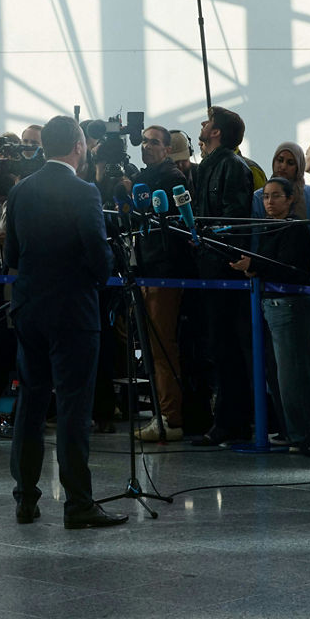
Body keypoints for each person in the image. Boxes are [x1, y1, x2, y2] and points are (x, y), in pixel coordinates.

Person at [6, 114, 127, 530]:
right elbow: (97, 253)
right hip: (74, 313)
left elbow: (11, 255)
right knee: (74, 409)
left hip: (30, 310)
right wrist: (103, 272)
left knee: (31, 405)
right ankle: (78, 503)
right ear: (78, 146)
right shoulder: (84, 191)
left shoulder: (21, 191)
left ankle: (25, 498)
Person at [232, 176, 310, 454]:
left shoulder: (294, 228)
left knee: (292, 375)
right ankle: (292, 431)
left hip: (288, 305)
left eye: (275, 196)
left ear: (291, 198)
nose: (269, 202)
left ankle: (302, 434)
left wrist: (255, 265)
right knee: (281, 375)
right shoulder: (271, 227)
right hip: (274, 305)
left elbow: (287, 266)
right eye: (266, 197)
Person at [190, 106, 255, 447]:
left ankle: (233, 422)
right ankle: (226, 421)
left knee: (227, 348)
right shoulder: (207, 168)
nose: (202, 125)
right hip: (208, 266)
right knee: (216, 346)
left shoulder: (231, 166)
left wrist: (209, 238)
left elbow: (235, 219)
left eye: (208, 121)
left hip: (223, 270)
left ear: (217, 132)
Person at [131, 125, 189, 443]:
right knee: (152, 346)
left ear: (168, 149)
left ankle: (170, 416)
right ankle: (162, 412)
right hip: (147, 267)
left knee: (162, 345)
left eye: (154, 142)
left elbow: (171, 227)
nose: (146, 146)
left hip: (164, 269)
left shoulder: (170, 179)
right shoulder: (145, 177)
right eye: (143, 141)